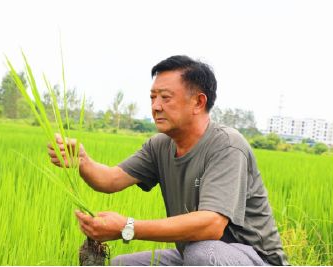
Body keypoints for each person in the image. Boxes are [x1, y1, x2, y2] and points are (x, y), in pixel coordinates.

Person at [47, 55, 290, 266]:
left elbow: (212, 226)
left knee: (202, 254)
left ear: (198, 102)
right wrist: (82, 160)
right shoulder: (160, 145)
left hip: (253, 259)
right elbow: (110, 180)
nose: (155, 106)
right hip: (193, 254)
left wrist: (126, 227)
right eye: (153, 97)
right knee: (122, 264)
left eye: (165, 97)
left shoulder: (226, 145)